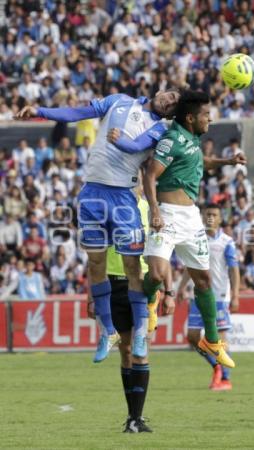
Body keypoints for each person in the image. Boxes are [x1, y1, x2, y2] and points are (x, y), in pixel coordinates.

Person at [16, 89, 180, 362]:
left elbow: (135, 145)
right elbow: (80, 112)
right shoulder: (118, 101)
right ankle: (107, 331)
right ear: (161, 90)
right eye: (171, 95)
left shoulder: (160, 130)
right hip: (91, 193)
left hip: (122, 197)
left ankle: (140, 330)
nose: (170, 101)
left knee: (131, 266)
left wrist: (121, 140)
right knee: (95, 264)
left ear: (172, 114)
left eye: (174, 104)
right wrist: (40, 111)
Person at [142, 90, 246, 368]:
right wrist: (153, 210)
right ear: (190, 117)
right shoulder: (172, 139)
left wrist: (228, 162)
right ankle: (150, 301)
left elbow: (201, 162)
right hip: (166, 214)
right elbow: (150, 174)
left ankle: (212, 340)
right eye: (205, 115)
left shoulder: (192, 138)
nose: (209, 119)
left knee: (204, 281)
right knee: (155, 273)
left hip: (191, 218)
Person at [87, 194, 175, 433]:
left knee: (141, 347)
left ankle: (137, 417)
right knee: (125, 351)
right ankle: (131, 417)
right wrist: (91, 295)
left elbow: (162, 251)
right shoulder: (107, 207)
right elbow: (95, 255)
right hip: (112, 285)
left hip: (142, 285)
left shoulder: (151, 208)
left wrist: (169, 291)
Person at [177, 203, 240, 391]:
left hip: (220, 296)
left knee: (219, 339)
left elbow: (234, 270)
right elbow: (191, 267)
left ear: (220, 219)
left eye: (214, 214)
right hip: (199, 295)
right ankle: (216, 367)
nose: (210, 217)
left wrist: (235, 295)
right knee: (193, 336)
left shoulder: (227, 242)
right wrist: (181, 287)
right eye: (207, 214)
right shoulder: (197, 240)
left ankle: (225, 379)